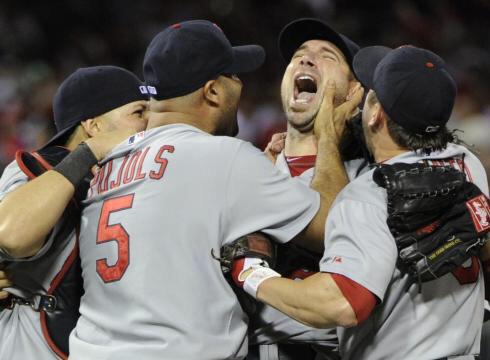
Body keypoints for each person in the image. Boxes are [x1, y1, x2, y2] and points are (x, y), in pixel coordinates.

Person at [68, 20, 361, 360]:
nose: (241, 85)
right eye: (234, 76)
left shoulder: (105, 164)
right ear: (212, 92)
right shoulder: (225, 158)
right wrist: (328, 134)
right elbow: (333, 225)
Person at [238, 45, 488, 359]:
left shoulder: (369, 194)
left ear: (375, 114)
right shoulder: (468, 165)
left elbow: (343, 303)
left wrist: (250, 273)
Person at [0, 65, 148, 359]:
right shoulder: (38, 169)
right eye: (138, 112)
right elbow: (10, 234)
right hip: (34, 348)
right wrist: (90, 151)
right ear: (93, 126)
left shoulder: (133, 177)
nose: (149, 123)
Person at [248, 18, 365, 360]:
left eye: (327, 55)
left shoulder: (369, 178)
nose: (307, 59)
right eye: (299, 54)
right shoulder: (247, 169)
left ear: (354, 90)